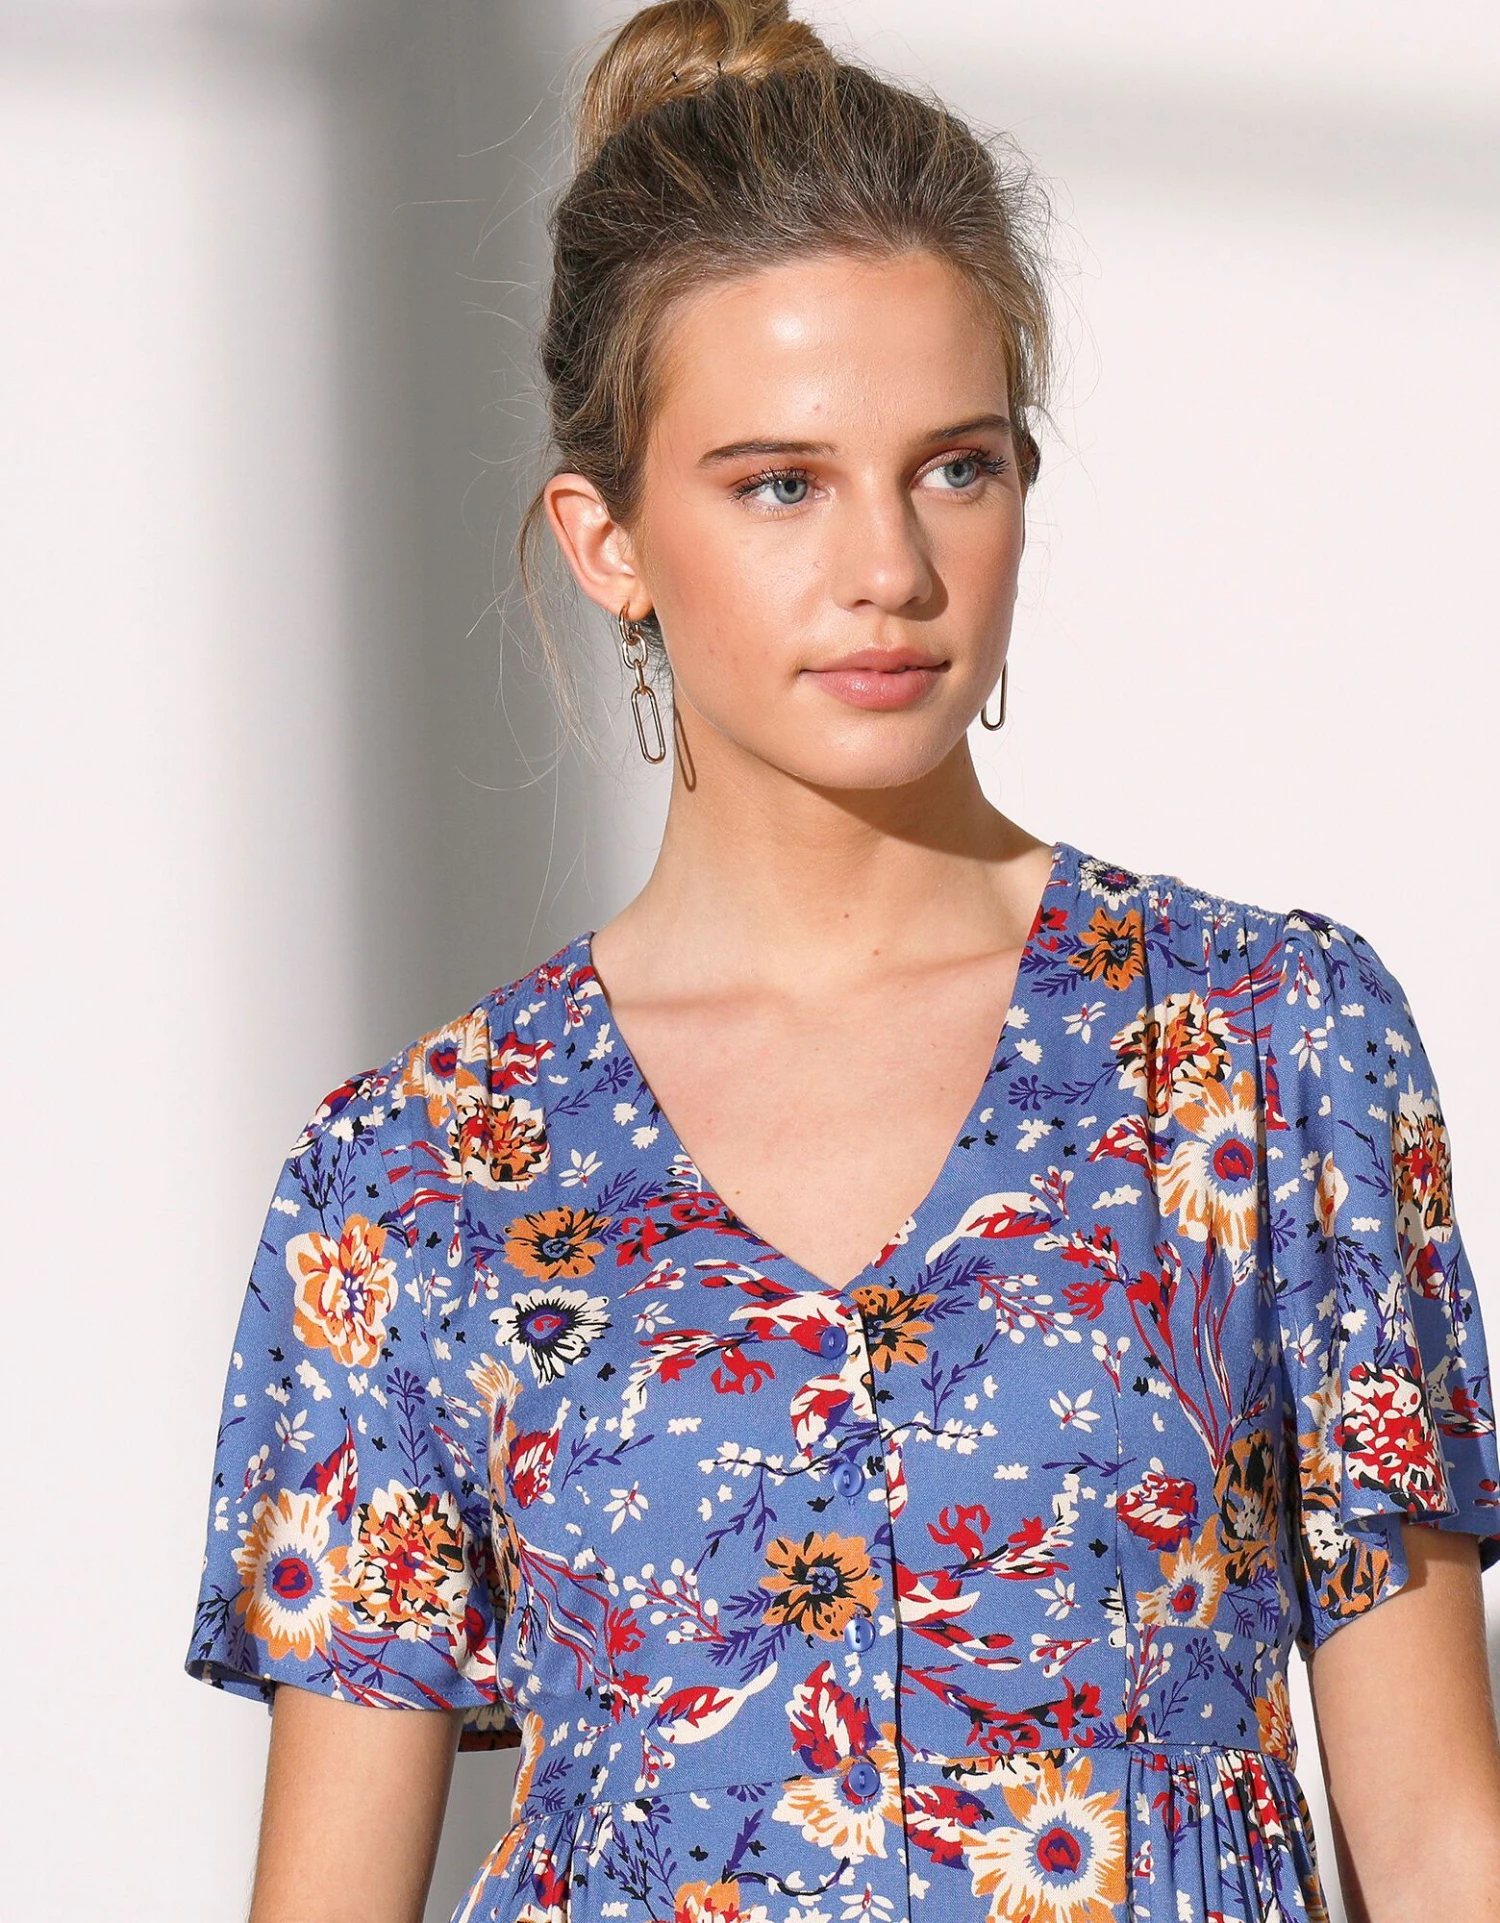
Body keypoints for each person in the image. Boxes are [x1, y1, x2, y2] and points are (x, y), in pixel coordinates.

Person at [182, 5, 1500, 1920]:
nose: (888, 566)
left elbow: (1444, 1841)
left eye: (953, 467)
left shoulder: (1265, 1050)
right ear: (608, 539)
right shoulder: (414, 1178)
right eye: (779, 484)